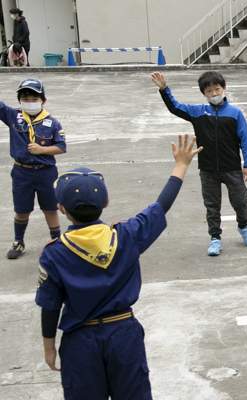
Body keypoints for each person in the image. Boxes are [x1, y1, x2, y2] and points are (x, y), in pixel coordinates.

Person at [35, 134, 202, 399]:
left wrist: (49, 347)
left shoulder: (54, 253)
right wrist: (180, 165)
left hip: (80, 340)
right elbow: (161, 206)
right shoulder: (126, 236)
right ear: (106, 203)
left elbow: (50, 306)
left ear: (61, 208)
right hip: (123, 334)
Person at [151, 71, 247, 256]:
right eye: (209, 91)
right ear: (203, 94)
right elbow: (175, 107)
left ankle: (243, 226)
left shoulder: (235, 113)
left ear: (224, 88)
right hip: (208, 170)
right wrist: (164, 89)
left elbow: (244, 139)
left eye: (217, 89)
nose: (214, 94)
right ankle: (215, 238)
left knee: (240, 202)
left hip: (231, 168)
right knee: (212, 206)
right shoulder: (197, 113)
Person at [0, 79, 66, 259]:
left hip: (46, 172)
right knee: (22, 209)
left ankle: (56, 241)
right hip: (22, 172)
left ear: (43, 101)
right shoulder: (13, 116)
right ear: (19, 100)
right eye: (25, 99)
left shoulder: (52, 123)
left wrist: (42, 150)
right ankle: (18, 241)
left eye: (34, 99)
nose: (29, 102)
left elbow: (61, 147)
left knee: (50, 208)